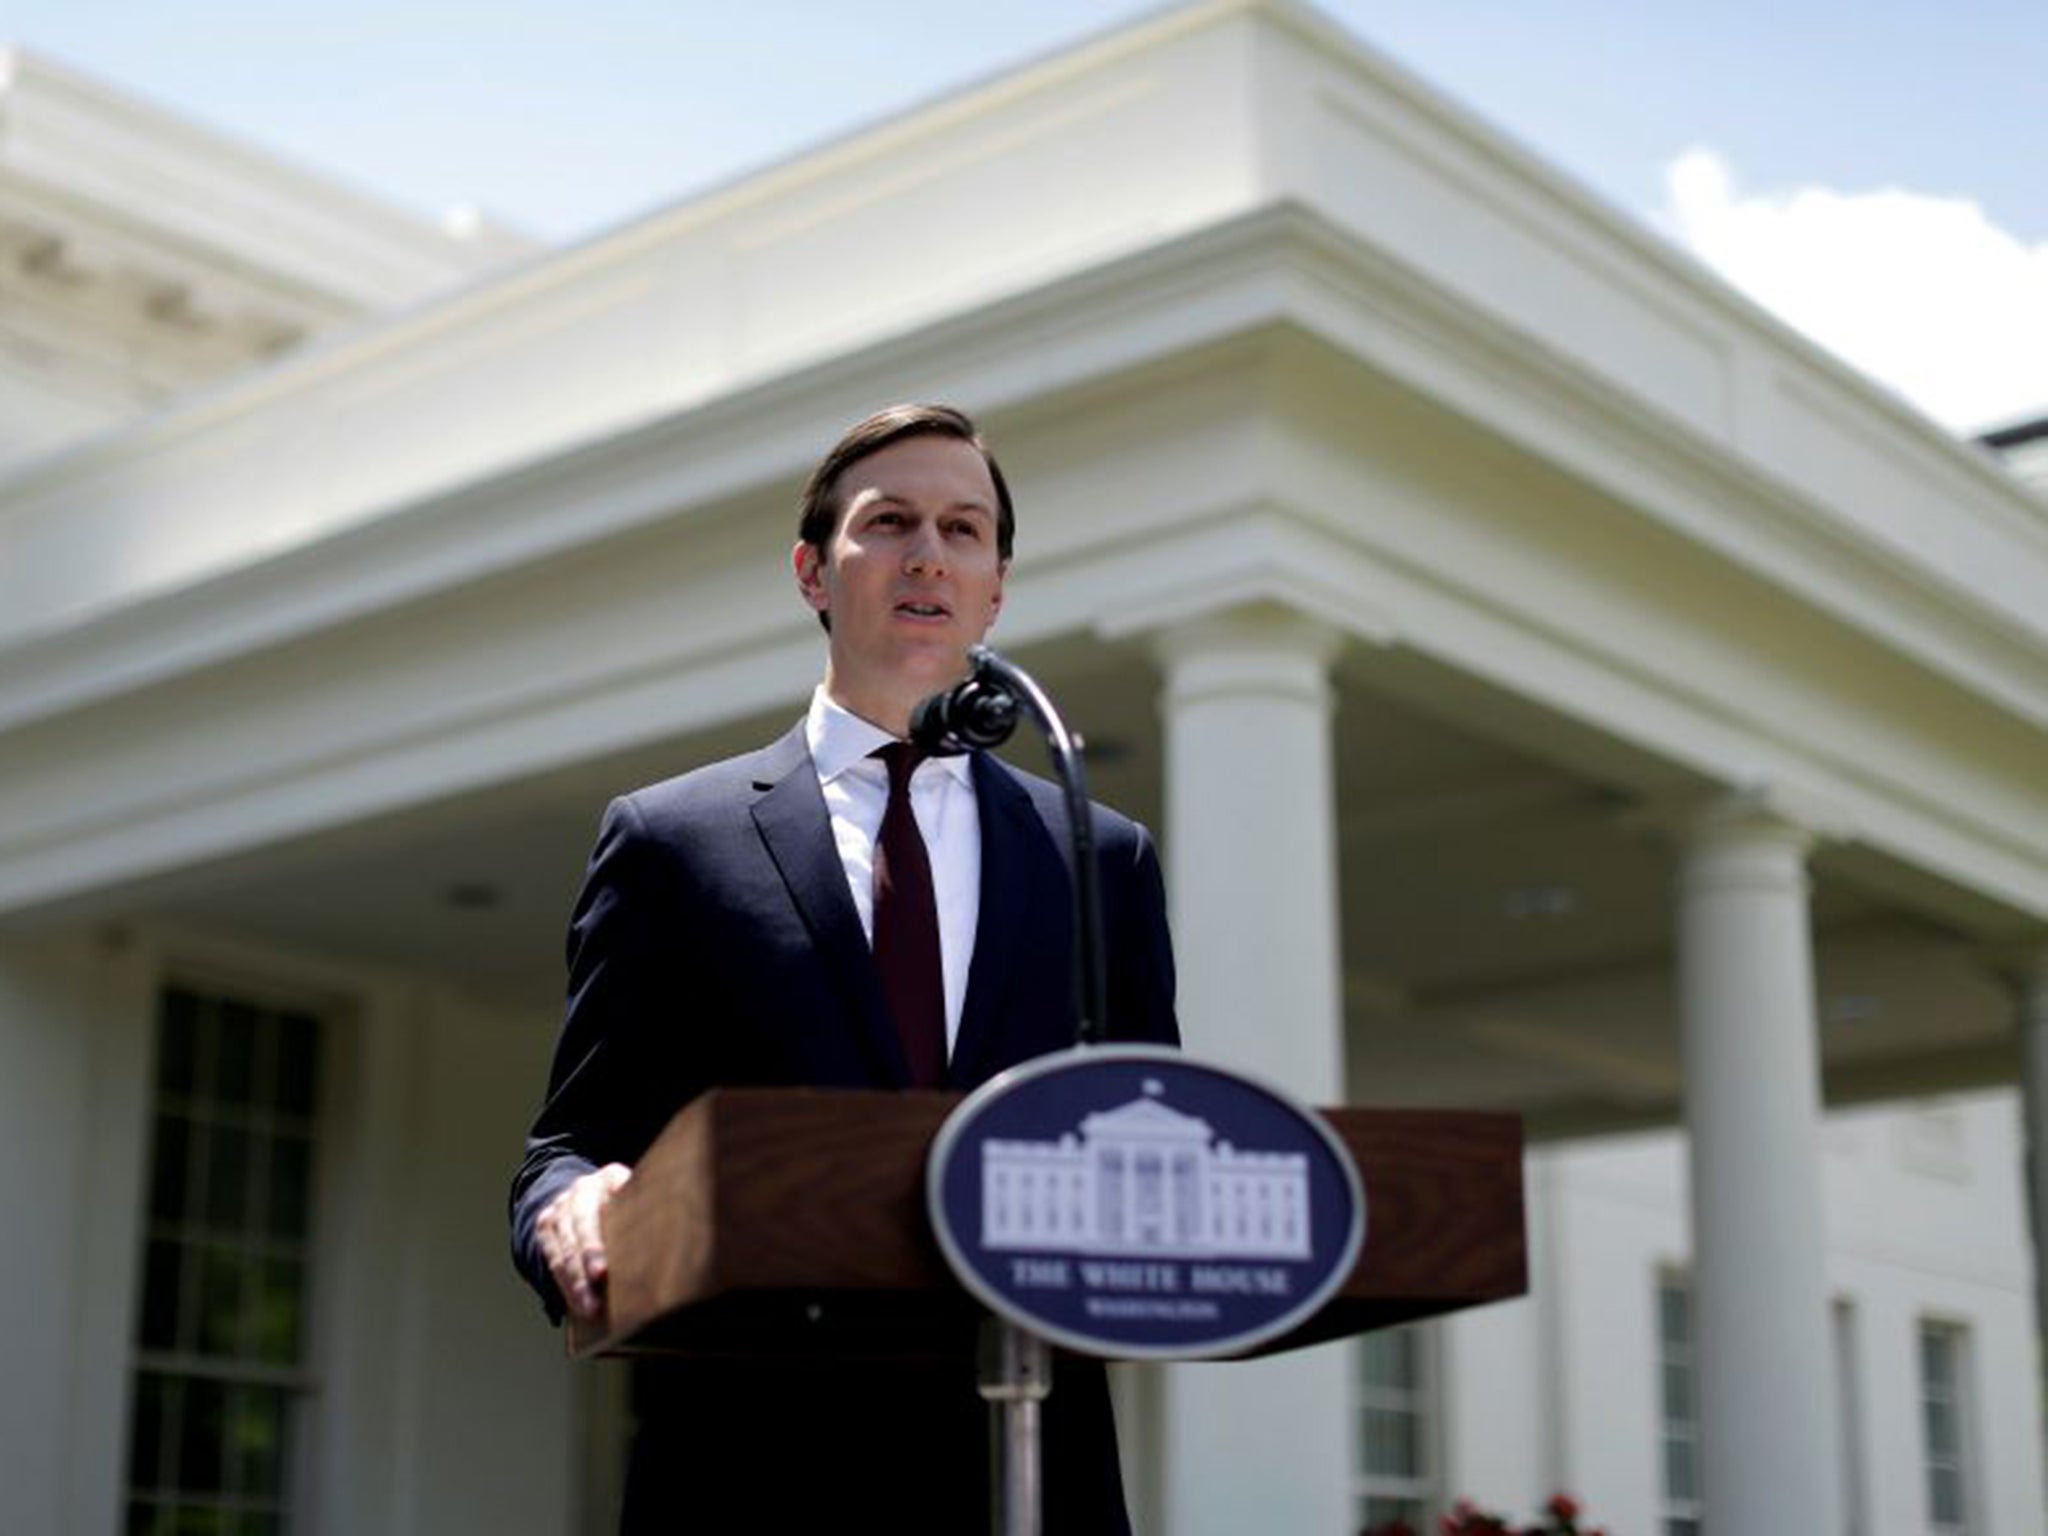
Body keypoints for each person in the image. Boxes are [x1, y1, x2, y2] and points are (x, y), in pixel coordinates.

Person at [509, 403, 1179, 1532]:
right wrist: (568, 1206)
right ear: (812, 572)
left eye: (963, 530)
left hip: (1028, 1462)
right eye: (890, 522)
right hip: (750, 1462)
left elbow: (1149, 1137)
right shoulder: (672, 840)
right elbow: (568, 1144)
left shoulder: (1099, 856)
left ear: (996, 590)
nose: (929, 554)